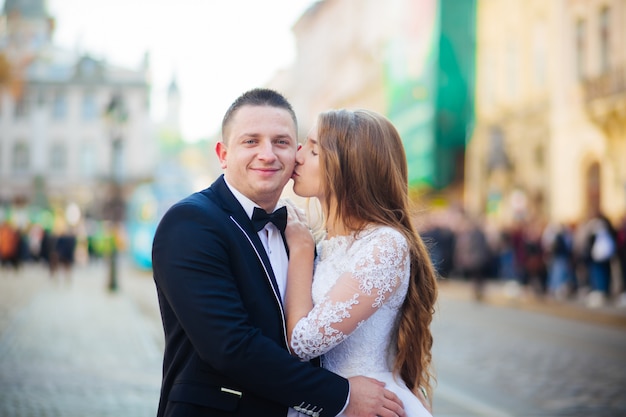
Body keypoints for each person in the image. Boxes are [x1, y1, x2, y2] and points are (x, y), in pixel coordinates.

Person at [152, 89, 405, 417]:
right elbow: (232, 347)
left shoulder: (304, 235)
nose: (267, 154)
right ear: (223, 154)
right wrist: (341, 396)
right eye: (251, 141)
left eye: (281, 142)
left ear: (296, 154)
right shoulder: (191, 222)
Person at [284, 108, 438, 416]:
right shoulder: (324, 242)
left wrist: (301, 252)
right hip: (329, 403)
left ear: (349, 167)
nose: (297, 156)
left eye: (314, 149)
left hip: (371, 405)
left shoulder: (384, 244)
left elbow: (302, 343)